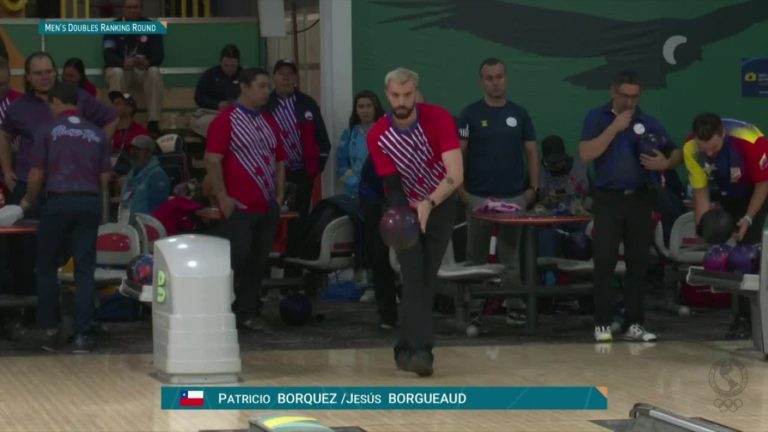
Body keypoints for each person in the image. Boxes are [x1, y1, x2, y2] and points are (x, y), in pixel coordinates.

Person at [367, 68, 463, 377]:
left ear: (416, 93)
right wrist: (406, 215)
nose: (401, 101)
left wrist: (430, 202)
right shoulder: (378, 135)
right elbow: (392, 186)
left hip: (441, 202)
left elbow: (455, 173)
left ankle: (404, 348)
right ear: (387, 95)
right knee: (412, 275)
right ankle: (422, 351)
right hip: (403, 208)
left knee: (426, 277)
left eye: (407, 95)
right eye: (396, 95)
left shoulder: (439, 118)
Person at [0, 52, 116, 296]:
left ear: (55, 72)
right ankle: (29, 307)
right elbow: (4, 134)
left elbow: (111, 119)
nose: (44, 77)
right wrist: (7, 170)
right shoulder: (18, 107)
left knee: (68, 253)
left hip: (68, 189)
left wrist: (95, 155)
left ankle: (65, 307)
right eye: (38, 73)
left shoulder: (77, 97)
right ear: (28, 77)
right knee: (26, 253)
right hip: (29, 186)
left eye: (48, 72)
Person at [578, 70, 680, 343]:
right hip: (608, 199)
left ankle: (635, 322)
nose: (630, 102)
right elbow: (586, 153)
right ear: (613, 92)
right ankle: (602, 323)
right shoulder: (596, 117)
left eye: (635, 96)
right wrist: (614, 128)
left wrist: (666, 163)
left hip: (640, 198)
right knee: (604, 261)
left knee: (638, 262)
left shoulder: (648, 121)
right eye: (625, 96)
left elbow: (676, 151)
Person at [19, 82, 111, 353]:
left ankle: (50, 331)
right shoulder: (97, 134)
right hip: (89, 202)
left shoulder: (47, 130)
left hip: (58, 202)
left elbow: (36, 174)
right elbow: (106, 178)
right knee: (84, 269)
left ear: (55, 102)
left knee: (46, 267)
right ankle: (82, 335)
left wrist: (28, 201)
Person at [457, 57, 539, 324]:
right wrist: (461, 189)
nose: (495, 82)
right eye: (489, 78)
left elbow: (531, 151)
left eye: (499, 77)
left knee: (511, 258)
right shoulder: (469, 114)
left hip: (514, 198)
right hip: (478, 197)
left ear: (506, 78)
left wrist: (533, 188)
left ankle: (515, 307)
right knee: (476, 258)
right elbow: (459, 152)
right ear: (482, 82)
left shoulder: (520, 114)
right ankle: (473, 311)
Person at [205, 67, 286, 331]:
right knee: (235, 258)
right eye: (261, 86)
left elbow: (279, 161)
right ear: (244, 87)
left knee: (257, 262)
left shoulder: (269, 120)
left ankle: (247, 312)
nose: (267, 91)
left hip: (266, 205)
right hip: (238, 205)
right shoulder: (225, 120)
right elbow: (213, 160)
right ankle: (219, 309)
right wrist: (222, 196)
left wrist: (279, 196)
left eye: (268, 87)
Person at [683, 113, 768, 339]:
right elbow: (701, 191)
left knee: (745, 255)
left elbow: (763, 184)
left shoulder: (750, 141)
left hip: (756, 191)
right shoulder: (691, 148)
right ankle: (738, 316)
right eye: (705, 149)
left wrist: (748, 219)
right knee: (723, 251)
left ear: (723, 134)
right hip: (726, 193)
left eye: (714, 148)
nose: (710, 154)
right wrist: (705, 230)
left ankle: (748, 320)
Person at [267, 59, 330, 218]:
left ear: (295, 78)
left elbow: (322, 137)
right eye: (281, 74)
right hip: (274, 171)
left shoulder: (307, 103)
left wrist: (317, 166)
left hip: (303, 171)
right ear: (274, 77)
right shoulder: (265, 104)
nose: (286, 78)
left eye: (290, 74)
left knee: (300, 214)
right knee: (273, 213)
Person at [103, 0, 164, 134]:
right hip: (121, 69)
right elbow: (108, 54)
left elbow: (159, 55)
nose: (133, 10)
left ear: (141, 9)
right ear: (123, 9)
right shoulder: (113, 26)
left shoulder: (152, 26)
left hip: (142, 71)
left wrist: (147, 63)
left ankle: (153, 122)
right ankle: (118, 120)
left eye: (136, 7)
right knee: (117, 72)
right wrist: (122, 63)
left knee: (154, 71)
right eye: (129, 7)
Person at [359, 155, 398, 330]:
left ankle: (409, 313)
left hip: (407, 200)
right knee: (380, 257)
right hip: (376, 201)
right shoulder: (378, 150)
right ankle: (387, 314)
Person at [337, 90, 385, 197]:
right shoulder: (348, 134)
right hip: (353, 192)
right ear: (356, 110)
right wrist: (354, 182)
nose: (365, 110)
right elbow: (341, 163)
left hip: (378, 191)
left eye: (369, 106)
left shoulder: (385, 132)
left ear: (375, 108)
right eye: (361, 106)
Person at [192, 44, 242, 137]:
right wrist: (217, 104)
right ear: (220, 62)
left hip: (237, 113)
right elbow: (199, 97)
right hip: (211, 112)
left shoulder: (244, 76)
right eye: (226, 65)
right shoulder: (210, 74)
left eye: (233, 66)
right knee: (211, 124)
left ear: (238, 64)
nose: (229, 69)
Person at [118, 135, 170, 223]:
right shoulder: (131, 173)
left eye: (138, 149)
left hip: (145, 226)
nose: (133, 152)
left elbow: (158, 210)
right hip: (127, 225)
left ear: (148, 152)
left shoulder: (156, 175)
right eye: (132, 148)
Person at [109, 91, 149, 176]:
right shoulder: (108, 130)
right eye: (113, 104)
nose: (113, 107)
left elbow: (142, 161)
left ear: (130, 108)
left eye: (118, 104)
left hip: (131, 176)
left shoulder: (140, 132)